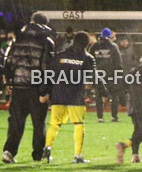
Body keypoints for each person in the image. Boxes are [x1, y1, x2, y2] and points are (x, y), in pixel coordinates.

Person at [2, 12, 55, 163]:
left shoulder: (18, 38)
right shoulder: (46, 41)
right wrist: (45, 91)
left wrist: (10, 82)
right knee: (39, 123)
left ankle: (9, 151)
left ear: (31, 21)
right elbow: (47, 69)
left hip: (19, 86)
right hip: (36, 87)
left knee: (16, 121)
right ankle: (38, 154)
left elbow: (9, 61)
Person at [42, 31, 96, 164]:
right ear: (87, 43)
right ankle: (77, 155)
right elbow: (93, 77)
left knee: (54, 124)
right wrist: (105, 92)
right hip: (75, 96)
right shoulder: (87, 58)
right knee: (78, 125)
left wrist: (45, 91)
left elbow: (49, 74)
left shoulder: (60, 56)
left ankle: (47, 147)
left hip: (58, 94)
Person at [116, 54, 142, 164]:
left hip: (132, 105)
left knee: (137, 130)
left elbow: (122, 85)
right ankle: (125, 144)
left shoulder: (132, 72)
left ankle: (135, 155)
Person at [88, 27, 123, 122]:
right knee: (114, 95)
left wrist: (91, 76)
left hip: (98, 75)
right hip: (111, 75)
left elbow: (89, 61)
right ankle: (114, 116)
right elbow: (118, 62)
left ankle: (100, 117)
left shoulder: (94, 46)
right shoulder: (113, 46)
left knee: (98, 95)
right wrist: (118, 76)